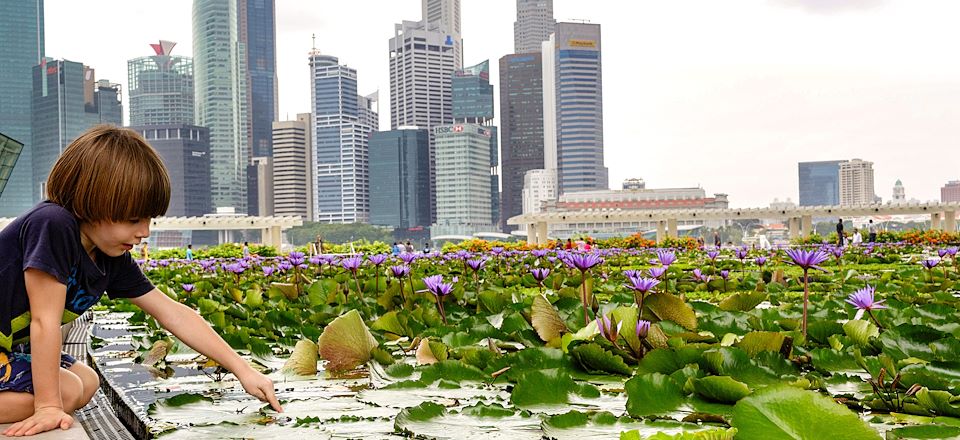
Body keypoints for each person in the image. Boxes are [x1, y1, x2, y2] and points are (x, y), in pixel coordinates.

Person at [0, 126, 281, 436]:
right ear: (92, 202)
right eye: (134, 219)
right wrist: (48, 406)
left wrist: (243, 369)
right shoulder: (53, 225)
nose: (145, 231)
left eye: (149, 219)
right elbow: (44, 321)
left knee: (88, 381)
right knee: (64, 393)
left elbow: (172, 312)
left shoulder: (109, 256)